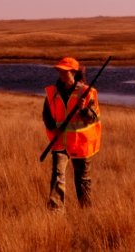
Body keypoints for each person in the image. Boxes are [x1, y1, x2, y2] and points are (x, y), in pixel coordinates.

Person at [42, 57, 101, 211]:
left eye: (65, 71)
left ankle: (86, 212)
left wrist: (83, 110)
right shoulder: (52, 93)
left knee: (83, 181)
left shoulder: (87, 93)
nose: (61, 73)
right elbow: (46, 115)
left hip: (81, 143)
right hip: (60, 142)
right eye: (60, 70)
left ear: (74, 72)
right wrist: (53, 128)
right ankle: (55, 213)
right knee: (57, 177)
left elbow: (93, 118)